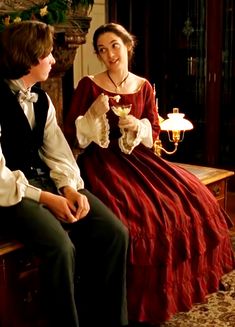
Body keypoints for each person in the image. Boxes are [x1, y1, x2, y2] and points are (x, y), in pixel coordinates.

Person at [63, 22, 235, 326]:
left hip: (139, 159)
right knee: (138, 214)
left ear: (128, 46)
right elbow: (71, 134)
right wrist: (92, 118)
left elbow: (153, 129)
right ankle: (130, 305)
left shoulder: (143, 86)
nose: (109, 54)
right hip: (102, 163)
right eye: (102, 49)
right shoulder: (89, 85)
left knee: (193, 196)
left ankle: (190, 283)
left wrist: (138, 127)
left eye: (114, 45)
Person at [0, 20, 129, 327]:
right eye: (48, 54)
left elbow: (58, 153)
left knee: (116, 233)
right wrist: (47, 198)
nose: (55, 61)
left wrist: (70, 190)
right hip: (10, 193)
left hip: (45, 183)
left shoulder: (42, 99)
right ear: (30, 58)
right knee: (60, 247)